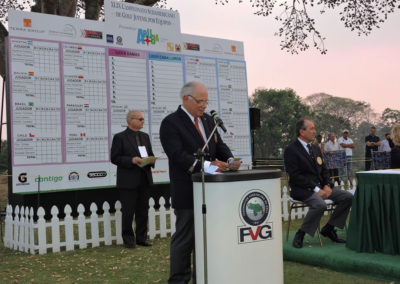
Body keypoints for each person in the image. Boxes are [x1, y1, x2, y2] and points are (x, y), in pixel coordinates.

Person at [160, 81, 241, 284]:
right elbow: (177, 155)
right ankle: (179, 280)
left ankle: (203, 278)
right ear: (186, 98)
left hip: (211, 192)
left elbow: (218, 145)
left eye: (206, 101)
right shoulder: (171, 122)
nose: (204, 105)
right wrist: (206, 165)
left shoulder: (206, 120)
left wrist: (230, 161)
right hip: (187, 190)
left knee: (206, 239)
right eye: (200, 101)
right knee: (185, 239)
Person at [284, 118, 353, 249]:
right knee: (320, 204)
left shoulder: (315, 148)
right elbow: (295, 176)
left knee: (348, 197)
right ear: (302, 132)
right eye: (311, 129)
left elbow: (324, 169)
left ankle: (329, 228)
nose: (314, 131)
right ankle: (301, 233)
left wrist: (327, 185)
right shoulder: (291, 150)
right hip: (303, 189)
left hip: (321, 187)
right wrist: (316, 189)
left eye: (314, 128)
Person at [111, 110, 155, 249]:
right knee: (128, 211)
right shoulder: (120, 137)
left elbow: (150, 153)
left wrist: (152, 160)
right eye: (140, 119)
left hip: (144, 178)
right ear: (131, 120)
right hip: (128, 180)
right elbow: (115, 158)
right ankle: (128, 240)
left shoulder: (145, 136)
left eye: (143, 119)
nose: (143, 121)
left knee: (143, 211)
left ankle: (142, 238)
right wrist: (131, 160)